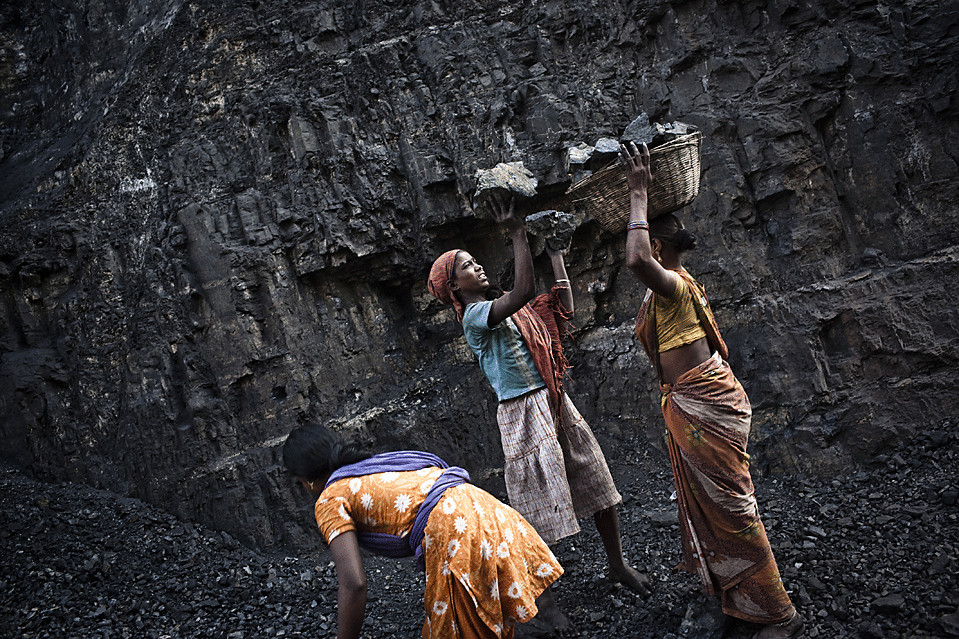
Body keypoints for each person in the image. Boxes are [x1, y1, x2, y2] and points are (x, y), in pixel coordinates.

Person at [426, 195, 652, 630]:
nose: (478, 268)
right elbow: (526, 291)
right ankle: (543, 603)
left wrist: (556, 256)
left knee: (596, 479)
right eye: (468, 267)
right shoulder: (475, 317)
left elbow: (560, 306)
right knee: (533, 511)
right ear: (455, 288)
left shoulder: (509, 310)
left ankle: (618, 564)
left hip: (552, 399)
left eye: (475, 262)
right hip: (522, 414)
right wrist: (515, 233)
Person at [618, 141, 805, 639]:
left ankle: (780, 614)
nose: (672, 221)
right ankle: (742, 600)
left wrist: (638, 193)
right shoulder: (674, 284)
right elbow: (642, 257)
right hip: (696, 401)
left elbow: (635, 259)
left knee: (734, 510)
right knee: (719, 509)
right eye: (662, 220)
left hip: (705, 404)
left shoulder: (674, 285)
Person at [283, 422, 563, 639]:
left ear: (304, 480)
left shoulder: (329, 498)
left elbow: (354, 583)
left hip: (454, 532)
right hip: (486, 508)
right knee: (506, 607)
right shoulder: (373, 467)